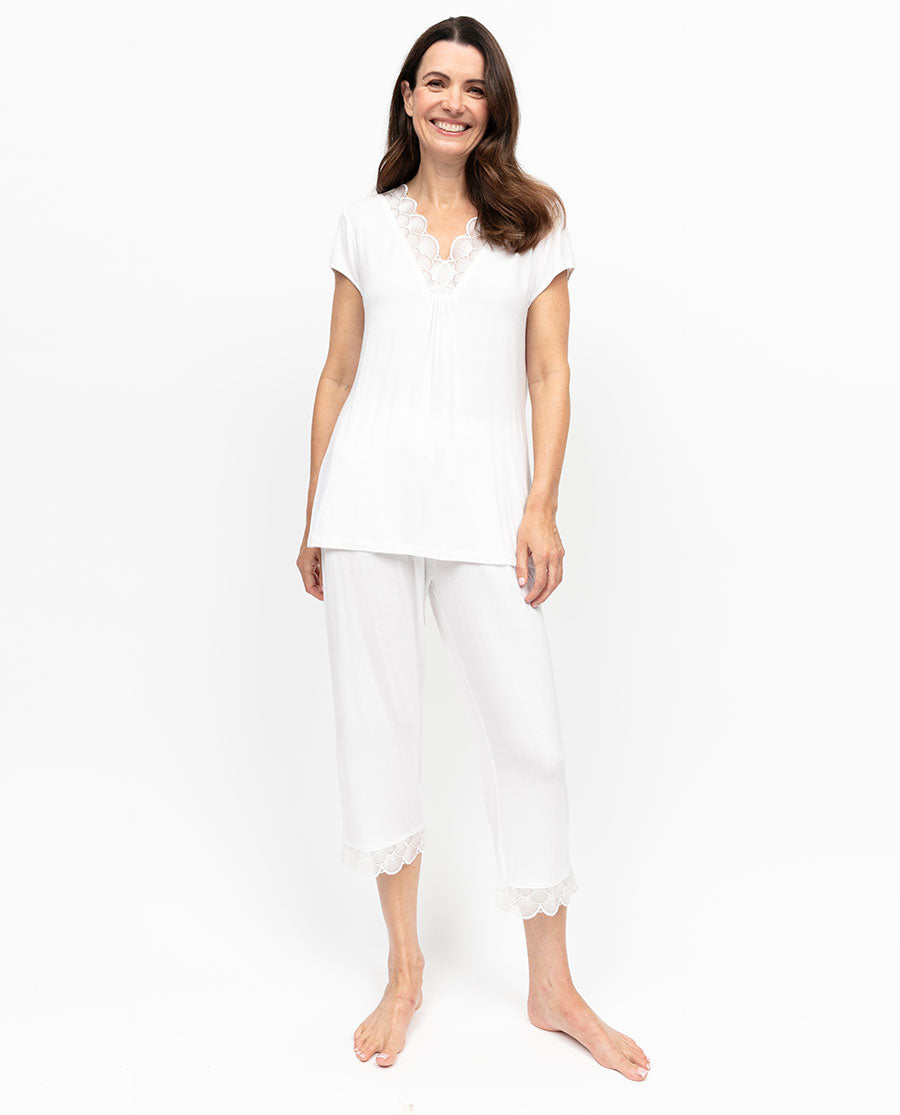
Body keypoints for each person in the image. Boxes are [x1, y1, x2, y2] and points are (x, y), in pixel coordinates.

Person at [296, 16, 650, 1082]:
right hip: (366, 501)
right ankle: (404, 969)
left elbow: (550, 373)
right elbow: (337, 373)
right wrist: (313, 513)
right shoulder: (363, 223)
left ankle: (553, 985)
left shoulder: (535, 220)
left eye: (473, 86)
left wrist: (541, 503)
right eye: (435, 82)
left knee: (531, 738)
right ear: (407, 98)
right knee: (381, 730)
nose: (453, 100)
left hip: (487, 507)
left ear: (494, 106)